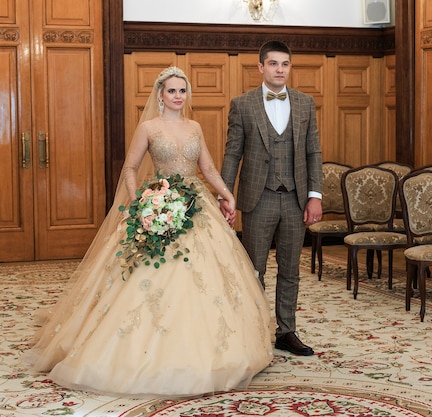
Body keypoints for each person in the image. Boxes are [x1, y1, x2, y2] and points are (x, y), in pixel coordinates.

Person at [22, 66, 273, 397]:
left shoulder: (195, 126)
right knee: (147, 278)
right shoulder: (149, 127)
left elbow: (208, 168)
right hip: (159, 200)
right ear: (160, 94)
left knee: (209, 277)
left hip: (196, 205)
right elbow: (130, 168)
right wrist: (139, 201)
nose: (178, 96)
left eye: (182, 91)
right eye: (172, 91)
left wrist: (227, 195)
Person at [220, 40, 323, 356]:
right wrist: (226, 195)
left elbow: (313, 152)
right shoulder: (243, 104)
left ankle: (286, 331)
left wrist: (314, 195)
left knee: (291, 269)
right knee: (254, 270)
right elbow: (233, 152)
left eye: (285, 64)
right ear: (261, 67)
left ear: (290, 67)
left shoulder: (305, 104)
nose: (280, 69)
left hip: (295, 199)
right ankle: (252, 332)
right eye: (274, 63)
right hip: (257, 198)